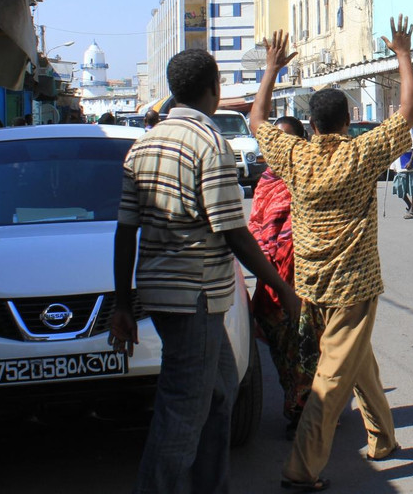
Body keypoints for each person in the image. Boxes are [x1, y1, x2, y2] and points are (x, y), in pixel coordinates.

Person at [110, 48, 300, 494]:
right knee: (182, 413)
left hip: (162, 292)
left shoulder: (144, 144)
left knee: (220, 394)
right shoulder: (209, 143)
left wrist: (123, 302)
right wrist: (281, 290)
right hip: (194, 295)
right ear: (214, 89)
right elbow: (233, 231)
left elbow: (124, 233)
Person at [249, 18, 413, 492]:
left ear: (314, 124)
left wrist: (271, 69)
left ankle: (383, 439)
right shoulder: (360, 154)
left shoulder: (295, 156)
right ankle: (301, 470)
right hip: (353, 288)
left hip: (312, 286)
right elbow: (408, 111)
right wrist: (403, 53)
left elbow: (257, 121)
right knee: (330, 382)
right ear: (345, 121)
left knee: (358, 364)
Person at [247, 115, 316, 437]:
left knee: (304, 346)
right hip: (271, 277)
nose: (278, 146)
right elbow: (256, 227)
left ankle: (302, 411)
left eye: (287, 139)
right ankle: (298, 402)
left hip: (304, 278)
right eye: (274, 140)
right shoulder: (267, 182)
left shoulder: (310, 177)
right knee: (279, 344)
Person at [391, 130, 413, 218]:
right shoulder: (392, 132)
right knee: (398, 188)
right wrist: (393, 166)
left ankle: (412, 210)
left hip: (409, 165)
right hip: (398, 165)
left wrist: (411, 161)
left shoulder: (409, 130)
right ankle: (410, 205)